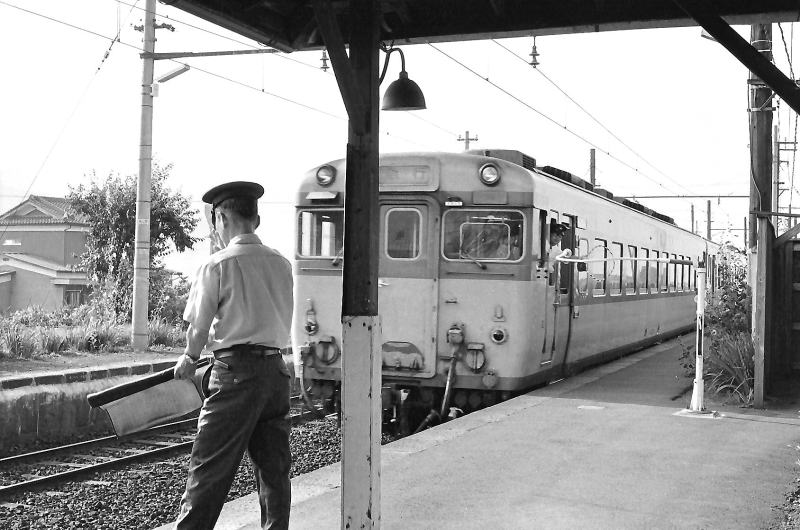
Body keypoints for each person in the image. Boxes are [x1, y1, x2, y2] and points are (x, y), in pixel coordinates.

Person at [173, 181, 294, 530]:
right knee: (274, 471)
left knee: (209, 469)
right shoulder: (282, 264)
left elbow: (198, 327)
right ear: (256, 218)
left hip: (235, 375)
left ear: (222, 217)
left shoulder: (216, 265)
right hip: (275, 372)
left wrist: (188, 357)